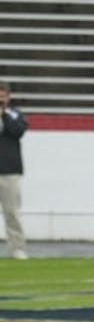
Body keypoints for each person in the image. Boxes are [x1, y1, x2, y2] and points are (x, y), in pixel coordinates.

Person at [0, 81, 29, 260]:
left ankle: (17, 247)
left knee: (12, 212)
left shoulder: (15, 114)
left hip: (10, 171)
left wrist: (4, 115)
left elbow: (18, 131)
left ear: (8, 97)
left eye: (3, 96)